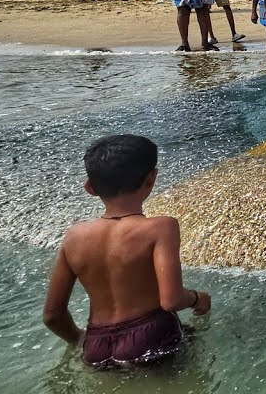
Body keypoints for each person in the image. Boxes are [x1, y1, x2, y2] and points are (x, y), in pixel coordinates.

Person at [43, 135, 211, 369]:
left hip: (96, 347)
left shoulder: (74, 236)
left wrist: (82, 339)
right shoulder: (161, 227)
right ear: (152, 178)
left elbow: (52, 315)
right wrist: (197, 298)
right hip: (151, 337)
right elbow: (171, 300)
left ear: (90, 187)